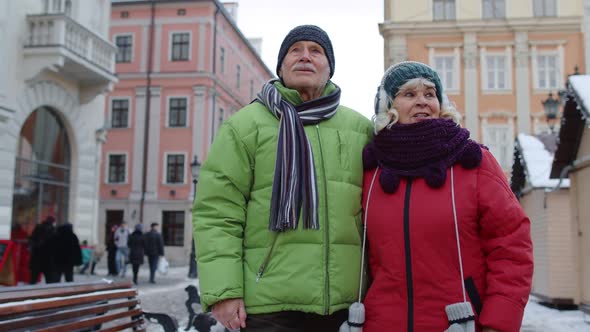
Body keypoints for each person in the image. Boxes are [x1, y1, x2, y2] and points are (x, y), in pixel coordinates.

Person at [193, 25, 373, 331]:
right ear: (280, 66)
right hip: (267, 305)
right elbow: (217, 211)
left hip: (344, 303)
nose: (305, 56)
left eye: (316, 51)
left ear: (329, 68)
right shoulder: (245, 126)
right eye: (295, 50)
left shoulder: (360, 129)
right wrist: (225, 291)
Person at [361, 61, 534, 332]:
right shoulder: (371, 169)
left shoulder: (474, 161)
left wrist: (499, 321)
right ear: (387, 106)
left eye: (430, 94)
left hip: (459, 322)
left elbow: (511, 244)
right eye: (409, 94)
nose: (422, 101)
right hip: (383, 323)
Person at [28, 216, 58, 284]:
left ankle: (31, 291)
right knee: (49, 280)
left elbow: (32, 240)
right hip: (47, 259)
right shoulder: (53, 231)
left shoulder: (39, 228)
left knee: (34, 279)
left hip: (38, 257)